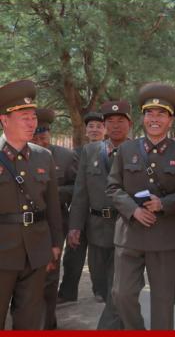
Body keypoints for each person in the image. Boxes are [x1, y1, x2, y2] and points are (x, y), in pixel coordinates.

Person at [106, 82, 175, 330]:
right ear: (142, 117)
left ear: (171, 119)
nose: (154, 119)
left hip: (165, 238)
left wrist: (163, 203)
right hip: (129, 234)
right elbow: (113, 187)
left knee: (163, 301)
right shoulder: (126, 150)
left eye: (161, 114)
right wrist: (133, 210)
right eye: (149, 113)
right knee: (121, 295)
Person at [0, 79, 63, 330]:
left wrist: (56, 243)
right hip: (2, 251)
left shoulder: (43, 156)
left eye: (33, 117)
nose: (32, 123)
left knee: (28, 320)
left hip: (36, 250)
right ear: (4, 120)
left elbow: (53, 205)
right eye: (24, 117)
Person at [67, 100, 132, 329]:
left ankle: (111, 327)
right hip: (96, 229)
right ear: (104, 126)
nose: (115, 126)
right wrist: (75, 227)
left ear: (129, 124)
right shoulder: (90, 150)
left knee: (120, 286)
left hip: (125, 229)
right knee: (102, 285)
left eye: (120, 121)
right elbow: (80, 192)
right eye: (110, 122)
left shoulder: (137, 151)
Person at [32, 108, 78, 330]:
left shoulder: (65, 156)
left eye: (44, 135)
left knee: (49, 277)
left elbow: (77, 188)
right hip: (23, 225)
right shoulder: (18, 154)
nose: (41, 140)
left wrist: (55, 194)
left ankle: (48, 323)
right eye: (36, 135)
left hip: (55, 222)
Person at [57, 110, 105, 305]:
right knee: (72, 254)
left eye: (98, 126)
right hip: (78, 212)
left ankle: (101, 289)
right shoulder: (75, 153)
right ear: (85, 131)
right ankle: (67, 292)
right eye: (90, 126)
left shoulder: (111, 152)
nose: (94, 130)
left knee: (98, 257)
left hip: (98, 214)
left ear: (105, 130)